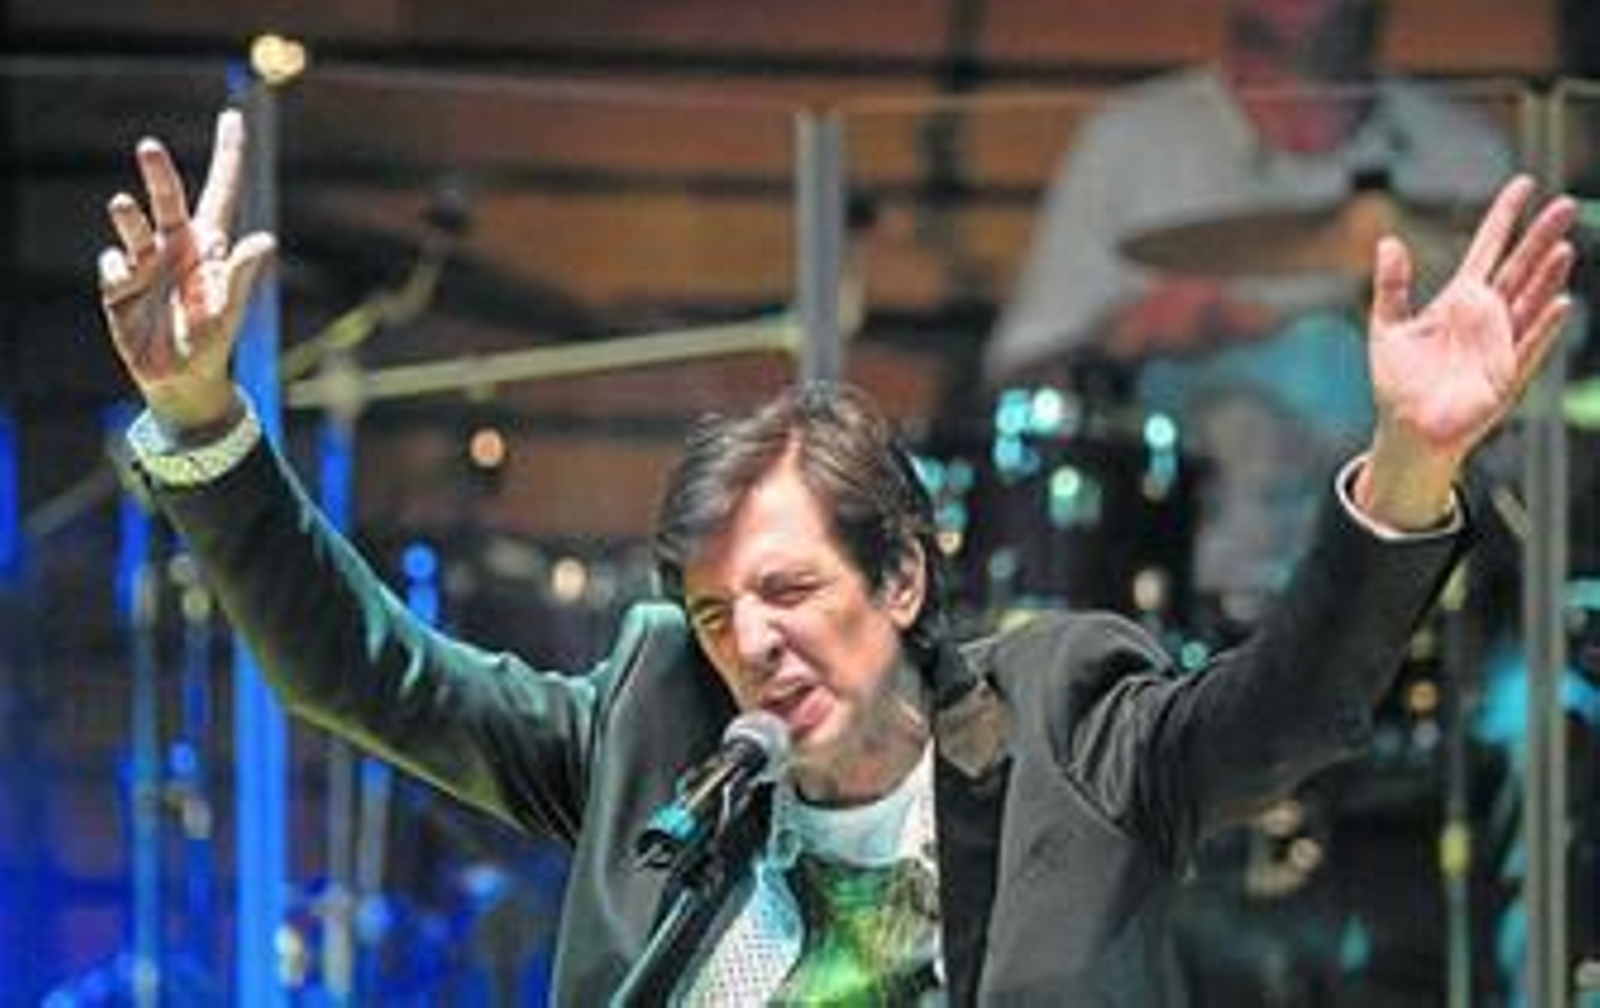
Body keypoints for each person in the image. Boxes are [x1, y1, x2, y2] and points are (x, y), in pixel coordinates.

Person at [95, 108, 1574, 1004]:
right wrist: (204, 417)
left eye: (790, 590)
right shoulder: (653, 732)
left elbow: (1287, 706)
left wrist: (1412, 461)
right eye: (715, 612)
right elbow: (371, 677)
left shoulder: (1070, 731)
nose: (751, 641)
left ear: (905, 580)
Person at [986, 0, 1516, 631]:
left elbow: (1540, 415)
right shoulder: (1133, 143)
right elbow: (1016, 398)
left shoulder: (1465, 158)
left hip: (1408, 602)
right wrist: (1128, 332)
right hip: (1171, 600)